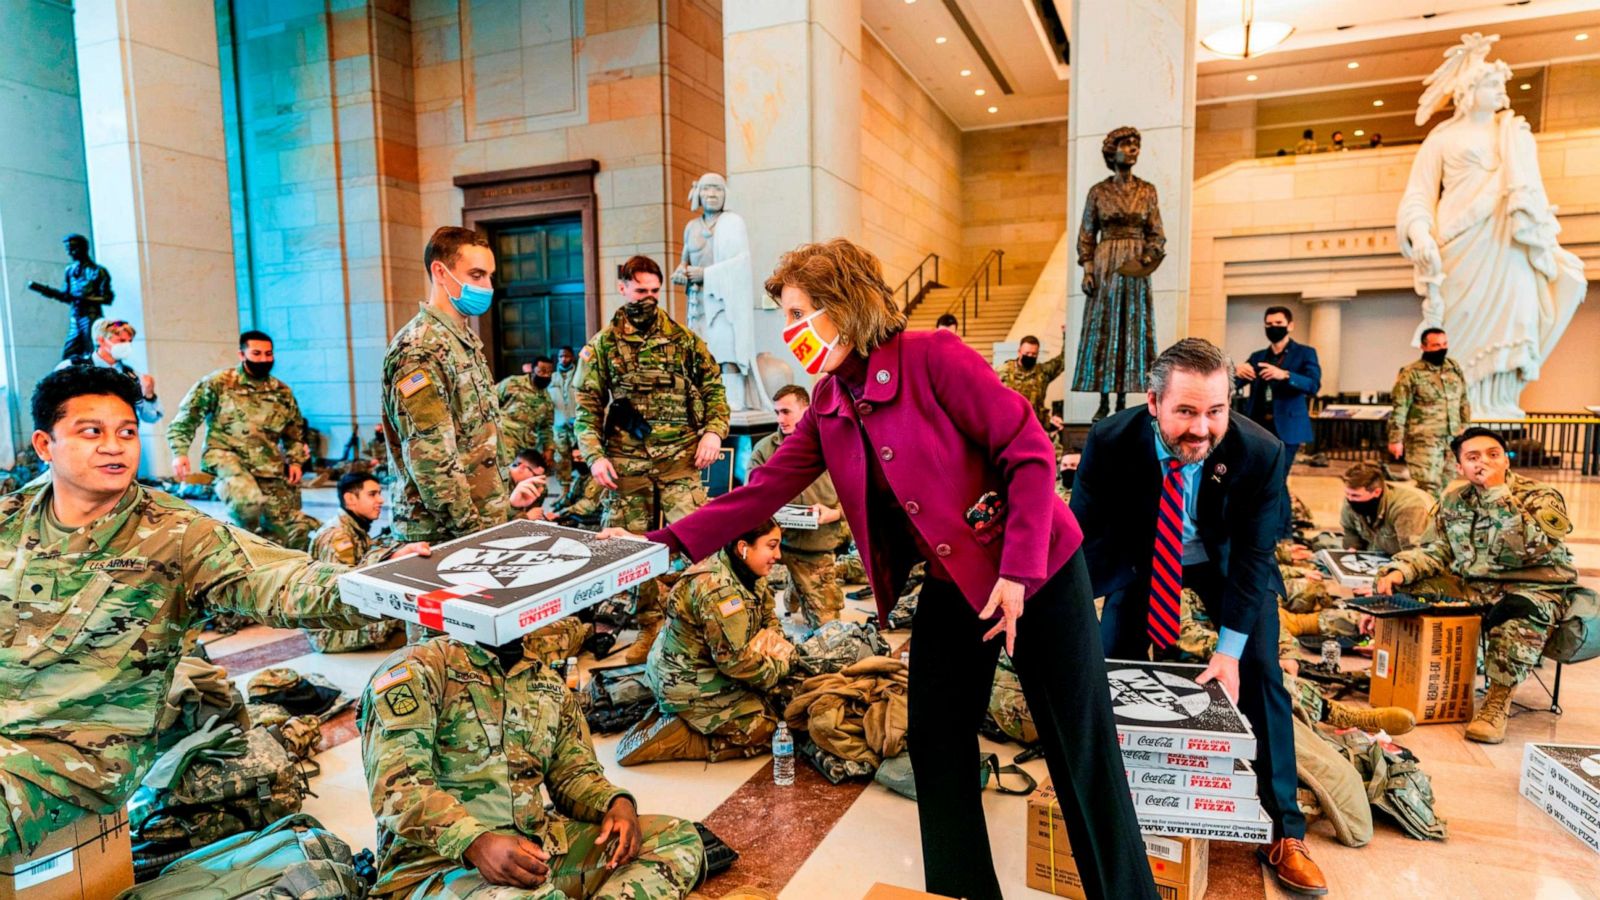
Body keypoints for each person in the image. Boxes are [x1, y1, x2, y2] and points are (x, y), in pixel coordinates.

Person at [603, 238, 1157, 900]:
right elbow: (758, 493)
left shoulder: (934, 359)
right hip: (956, 588)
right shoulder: (830, 403)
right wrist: (657, 545)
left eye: (799, 311)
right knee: (934, 739)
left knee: (1080, 749)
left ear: (844, 305)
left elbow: (1030, 451)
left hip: (1036, 570)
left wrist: (1017, 574)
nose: (790, 330)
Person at [0, 366, 417, 856]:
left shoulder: (177, 534)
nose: (114, 446)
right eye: (92, 432)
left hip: (74, 751)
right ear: (45, 445)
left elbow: (280, 581)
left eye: (127, 432)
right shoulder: (12, 517)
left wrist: (380, 576)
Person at [1071, 338, 1326, 896]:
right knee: (1111, 665)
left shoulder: (1259, 451)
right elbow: (1079, 535)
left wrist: (1228, 651)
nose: (1202, 429)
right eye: (1185, 411)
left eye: (1215, 411)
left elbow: (1257, 554)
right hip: (1142, 557)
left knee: (1260, 670)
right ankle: (1120, 802)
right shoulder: (1111, 440)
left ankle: (1285, 830)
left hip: (1224, 560)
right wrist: (1065, 620)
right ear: (1153, 402)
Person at [360, 633, 704, 899]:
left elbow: (574, 774)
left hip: (537, 849)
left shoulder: (547, 684)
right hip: (437, 869)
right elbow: (399, 791)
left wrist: (616, 803)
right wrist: (477, 843)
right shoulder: (419, 669)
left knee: (675, 837)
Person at [1374, 427, 1585, 744]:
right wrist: (1402, 569)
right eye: (1472, 457)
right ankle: (1421, 675)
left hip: (1534, 587)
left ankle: (1497, 701)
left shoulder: (1540, 496)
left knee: (1517, 613)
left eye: (1493, 454)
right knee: (1403, 588)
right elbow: (1439, 549)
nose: (1483, 462)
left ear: (1506, 461)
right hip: (1476, 584)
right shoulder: (1454, 501)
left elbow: (1535, 547)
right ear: (1459, 467)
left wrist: (1497, 494)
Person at [575, 255, 729, 664]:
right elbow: (586, 407)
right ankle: (651, 631)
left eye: (655, 292)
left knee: (697, 549)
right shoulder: (602, 346)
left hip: (681, 462)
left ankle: (698, 632)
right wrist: (594, 456)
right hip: (627, 468)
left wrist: (714, 431)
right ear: (622, 288)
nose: (648, 299)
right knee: (632, 558)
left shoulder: (683, 339)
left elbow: (715, 388)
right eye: (641, 291)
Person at [619, 520, 794, 765]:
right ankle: (682, 737)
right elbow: (733, 663)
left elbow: (768, 616)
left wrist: (778, 647)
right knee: (768, 729)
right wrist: (781, 667)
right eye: (772, 546)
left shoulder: (746, 570)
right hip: (686, 680)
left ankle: (685, 717)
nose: (778, 555)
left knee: (783, 698)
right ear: (744, 547)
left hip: (704, 665)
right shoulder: (720, 591)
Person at [383, 226, 510, 546]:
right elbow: (431, 459)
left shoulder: (461, 342)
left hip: (480, 522)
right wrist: (472, 533)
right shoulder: (420, 349)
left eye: (489, 277)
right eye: (477, 275)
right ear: (440, 271)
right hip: (442, 534)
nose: (487, 286)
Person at [168, 330, 320, 550]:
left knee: (288, 529)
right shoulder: (219, 383)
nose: (264, 359)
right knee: (247, 503)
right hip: (226, 455)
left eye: (268, 354)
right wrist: (179, 452)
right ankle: (239, 550)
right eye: (256, 353)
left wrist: (295, 461)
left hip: (268, 464)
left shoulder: (281, 391)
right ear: (242, 354)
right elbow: (186, 417)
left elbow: (294, 432)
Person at [1072, 125, 1165, 423]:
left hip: (1135, 267)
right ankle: (1103, 398)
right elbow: (1087, 232)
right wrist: (1088, 268)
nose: (1133, 148)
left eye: (1136, 143)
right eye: (1126, 144)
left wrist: (1149, 256)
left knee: (1131, 327)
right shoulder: (1098, 192)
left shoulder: (1147, 190)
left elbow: (1156, 232)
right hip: (1106, 264)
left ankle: (1124, 398)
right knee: (1106, 327)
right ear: (1113, 151)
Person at [748, 385, 845, 628]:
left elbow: (859, 491)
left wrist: (836, 513)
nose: (780, 419)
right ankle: (797, 583)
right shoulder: (765, 450)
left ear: (807, 409)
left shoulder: (834, 444)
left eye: (786, 411)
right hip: (774, 541)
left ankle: (798, 586)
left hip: (815, 543)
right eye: (777, 412)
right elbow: (750, 493)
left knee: (827, 628)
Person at [305, 471, 405, 653]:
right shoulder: (338, 536)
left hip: (343, 620)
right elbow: (340, 591)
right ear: (350, 499)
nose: (381, 500)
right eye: (372, 494)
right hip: (330, 632)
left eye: (379, 494)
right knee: (409, 613)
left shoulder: (355, 528)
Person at [1239, 306, 1321, 526]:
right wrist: (1235, 372)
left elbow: (1313, 384)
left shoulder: (1305, 353)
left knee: (1277, 477)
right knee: (1259, 477)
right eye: (1269, 324)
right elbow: (1236, 383)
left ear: (1290, 326)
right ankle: (1261, 524)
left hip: (1288, 427)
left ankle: (1281, 530)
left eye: (1278, 324)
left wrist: (1285, 375)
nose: (1273, 328)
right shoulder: (1258, 356)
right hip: (1259, 427)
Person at [1387, 327, 1470, 496]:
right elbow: (1400, 408)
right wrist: (1396, 439)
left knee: (1447, 477)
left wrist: (1465, 427)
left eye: (1444, 344)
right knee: (1428, 484)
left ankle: (1429, 512)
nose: (1442, 348)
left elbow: (1463, 399)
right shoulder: (1411, 373)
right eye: (1436, 345)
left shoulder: (1453, 368)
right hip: (1423, 439)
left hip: (1452, 436)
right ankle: (1426, 518)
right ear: (1423, 347)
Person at [56, 318, 161, 423]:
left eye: (130, 341)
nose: (127, 346)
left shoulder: (131, 376)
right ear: (100, 340)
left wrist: (149, 394)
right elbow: (51, 403)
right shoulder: (71, 367)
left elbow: (151, 418)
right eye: (121, 341)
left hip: (119, 433)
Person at [27, 233, 114, 360]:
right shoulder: (70, 270)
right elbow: (66, 296)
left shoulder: (97, 271)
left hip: (91, 317)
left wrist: (83, 299)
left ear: (83, 248)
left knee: (92, 352)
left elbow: (107, 298)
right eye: (68, 249)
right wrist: (47, 292)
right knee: (69, 354)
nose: (70, 253)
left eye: (73, 249)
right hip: (75, 317)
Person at [1338, 461, 1432, 556]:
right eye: (1347, 494)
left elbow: (1414, 554)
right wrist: (1352, 548)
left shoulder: (1406, 508)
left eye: (1355, 495)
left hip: (1408, 558)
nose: (1349, 499)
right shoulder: (1352, 501)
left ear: (1376, 492)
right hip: (1376, 552)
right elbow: (1350, 530)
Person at [498, 355, 557, 472]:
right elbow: (491, 403)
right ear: (533, 370)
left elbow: (546, 428)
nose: (546, 375)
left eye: (549, 372)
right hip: (505, 440)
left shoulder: (547, 400)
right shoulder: (512, 383)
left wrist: (549, 449)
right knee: (503, 475)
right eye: (542, 371)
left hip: (526, 447)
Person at [997, 335, 1067, 429]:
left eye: (1034, 354)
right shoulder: (1003, 371)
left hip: (1034, 427)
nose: (1030, 356)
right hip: (1008, 427)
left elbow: (1063, 360)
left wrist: (1065, 335)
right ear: (1019, 352)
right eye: (1027, 353)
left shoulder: (1043, 372)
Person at [551, 345, 580, 490]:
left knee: (583, 456)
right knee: (561, 458)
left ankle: (583, 489)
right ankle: (565, 490)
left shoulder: (579, 375)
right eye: (561, 356)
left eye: (567, 356)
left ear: (572, 357)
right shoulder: (552, 378)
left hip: (579, 423)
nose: (564, 359)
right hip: (559, 425)